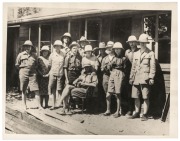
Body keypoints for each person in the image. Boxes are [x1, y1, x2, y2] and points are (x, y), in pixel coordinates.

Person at [129, 33, 156, 121]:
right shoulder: (136, 53)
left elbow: (152, 66)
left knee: (145, 97)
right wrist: (131, 77)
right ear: (139, 43)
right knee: (135, 96)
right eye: (141, 43)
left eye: (144, 43)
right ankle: (137, 112)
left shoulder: (151, 53)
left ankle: (144, 114)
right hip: (136, 77)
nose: (142, 44)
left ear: (146, 43)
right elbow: (133, 67)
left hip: (145, 78)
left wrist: (151, 77)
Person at [57, 41, 82, 114]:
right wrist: (67, 79)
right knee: (67, 91)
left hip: (76, 75)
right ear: (71, 49)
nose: (75, 50)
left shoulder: (79, 57)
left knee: (69, 92)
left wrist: (78, 79)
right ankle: (65, 108)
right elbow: (65, 68)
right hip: (69, 74)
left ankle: (65, 108)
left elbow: (80, 69)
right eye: (74, 48)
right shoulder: (67, 57)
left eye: (76, 48)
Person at [15, 40, 41, 110]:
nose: (27, 48)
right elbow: (17, 65)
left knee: (36, 89)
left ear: (31, 48)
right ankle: (24, 105)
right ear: (24, 47)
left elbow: (36, 65)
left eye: (29, 47)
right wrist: (23, 71)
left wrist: (32, 70)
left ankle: (39, 105)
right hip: (23, 73)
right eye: (26, 46)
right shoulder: (20, 55)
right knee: (24, 90)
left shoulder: (34, 55)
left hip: (32, 74)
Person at [103, 42, 126, 118]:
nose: (117, 51)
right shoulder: (113, 58)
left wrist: (122, 75)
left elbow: (125, 68)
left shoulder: (124, 58)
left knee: (118, 93)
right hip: (112, 74)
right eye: (115, 49)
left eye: (118, 49)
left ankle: (118, 111)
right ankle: (108, 110)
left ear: (121, 50)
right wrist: (107, 67)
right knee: (108, 93)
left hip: (120, 74)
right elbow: (109, 67)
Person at [124, 35, 139, 116]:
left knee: (136, 92)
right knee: (129, 92)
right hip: (128, 74)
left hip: (137, 73)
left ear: (136, 43)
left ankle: (137, 110)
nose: (132, 44)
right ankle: (130, 109)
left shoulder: (139, 51)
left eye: (133, 42)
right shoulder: (127, 52)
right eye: (130, 42)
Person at [47, 40, 65, 110]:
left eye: (59, 46)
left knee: (60, 90)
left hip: (60, 74)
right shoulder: (52, 55)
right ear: (55, 47)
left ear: (61, 47)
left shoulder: (63, 54)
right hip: (53, 74)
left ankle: (60, 104)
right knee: (53, 89)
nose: (58, 47)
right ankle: (53, 105)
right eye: (56, 46)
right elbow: (49, 65)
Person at [93, 42, 107, 112]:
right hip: (99, 76)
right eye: (100, 49)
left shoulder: (107, 56)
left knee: (106, 91)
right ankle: (100, 107)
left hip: (106, 75)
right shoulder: (98, 57)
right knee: (99, 91)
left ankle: (106, 107)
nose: (102, 51)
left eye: (103, 49)